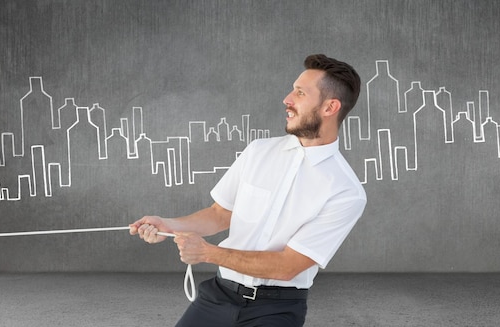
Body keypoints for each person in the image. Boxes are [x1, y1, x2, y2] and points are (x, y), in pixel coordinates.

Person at [129, 54, 367, 327]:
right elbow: (220, 214)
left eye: (300, 93)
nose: (287, 99)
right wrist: (167, 225)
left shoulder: (345, 192)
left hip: (277, 309)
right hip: (218, 296)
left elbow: (287, 266)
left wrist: (208, 253)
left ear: (330, 107)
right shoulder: (258, 151)